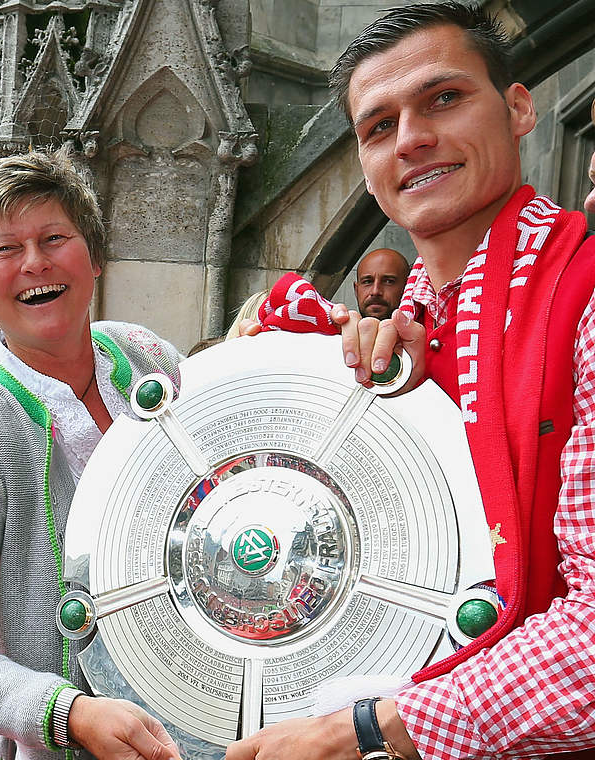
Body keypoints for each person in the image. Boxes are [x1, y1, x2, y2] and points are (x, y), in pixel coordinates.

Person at [230, 4, 595, 759]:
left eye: (444, 98)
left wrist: (364, 730)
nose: (412, 139)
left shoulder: (585, 296)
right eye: (377, 126)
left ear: (520, 107)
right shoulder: (398, 329)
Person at [0, 148, 185, 760]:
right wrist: (61, 711)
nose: (34, 263)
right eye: (4, 249)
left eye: (55, 237)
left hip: (208, 714)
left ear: (94, 256)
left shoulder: (143, 354)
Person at [353, 247, 411, 319]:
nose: (375, 291)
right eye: (367, 282)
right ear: (356, 290)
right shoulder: (341, 328)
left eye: (388, 281)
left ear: (408, 287)